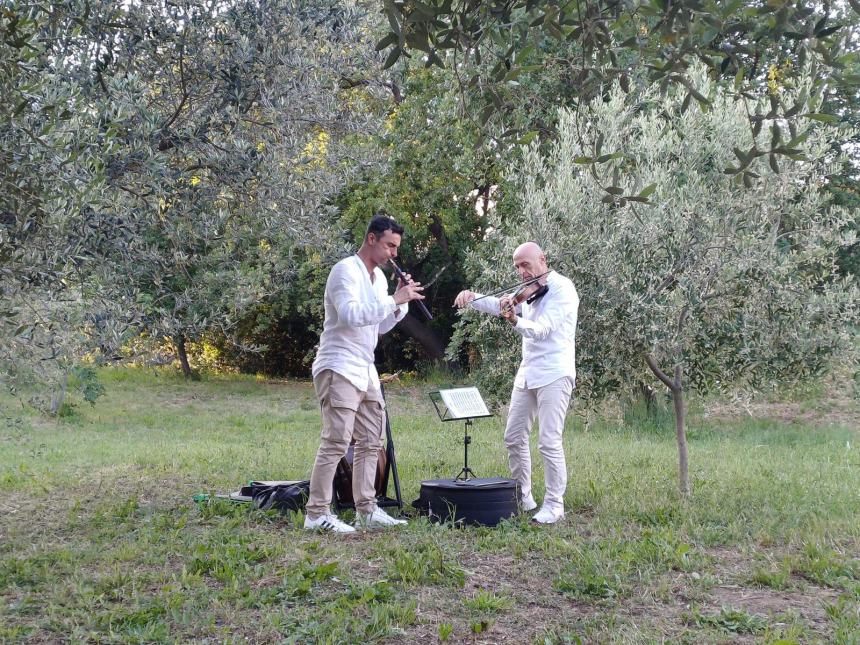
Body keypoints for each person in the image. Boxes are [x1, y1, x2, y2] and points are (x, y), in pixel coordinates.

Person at [304, 215, 425, 533]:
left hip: (365, 367)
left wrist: (401, 304)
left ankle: (366, 511)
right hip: (338, 364)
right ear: (371, 239)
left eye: (396, 248)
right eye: (389, 246)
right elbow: (351, 314)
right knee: (336, 441)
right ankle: (316, 514)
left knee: (372, 441)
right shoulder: (345, 270)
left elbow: (378, 325)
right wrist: (393, 300)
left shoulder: (380, 280)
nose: (394, 254)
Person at [454, 242, 579, 524]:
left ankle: (554, 504)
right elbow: (502, 305)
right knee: (513, 436)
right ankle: (523, 497)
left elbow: (543, 330)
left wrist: (514, 321)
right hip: (528, 373)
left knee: (549, 441)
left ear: (543, 259)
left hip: (555, 373)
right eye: (517, 267)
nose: (522, 271)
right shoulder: (529, 291)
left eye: (526, 264)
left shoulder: (563, 289)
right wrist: (472, 297)